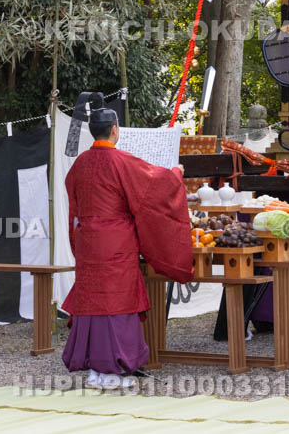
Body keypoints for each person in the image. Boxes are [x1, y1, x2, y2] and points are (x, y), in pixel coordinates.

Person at [61, 97, 193, 388]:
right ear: (115, 130)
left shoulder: (80, 163)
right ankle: (112, 371)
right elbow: (154, 187)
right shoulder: (120, 160)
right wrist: (176, 174)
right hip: (115, 240)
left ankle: (96, 370)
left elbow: (73, 200)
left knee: (92, 301)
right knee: (117, 303)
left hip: (87, 240)